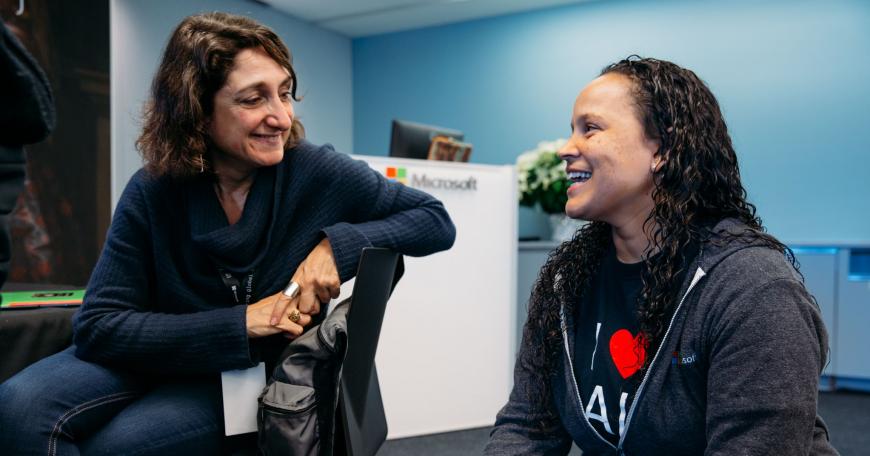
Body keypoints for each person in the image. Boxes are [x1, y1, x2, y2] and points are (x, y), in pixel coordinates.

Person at [0, 12, 455, 454]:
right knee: (17, 408)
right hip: (158, 354)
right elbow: (99, 326)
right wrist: (241, 322)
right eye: (253, 99)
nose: (280, 117)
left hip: (243, 373)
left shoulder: (314, 170)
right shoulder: (154, 189)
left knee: (117, 445)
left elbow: (434, 219)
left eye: (284, 93)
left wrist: (335, 248)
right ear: (196, 112)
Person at [485, 56, 837, 455]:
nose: (566, 149)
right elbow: (528, 427)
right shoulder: (567, 281)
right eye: (571, 131)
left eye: (591, 129)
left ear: (663, 149)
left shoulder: (753, 289)